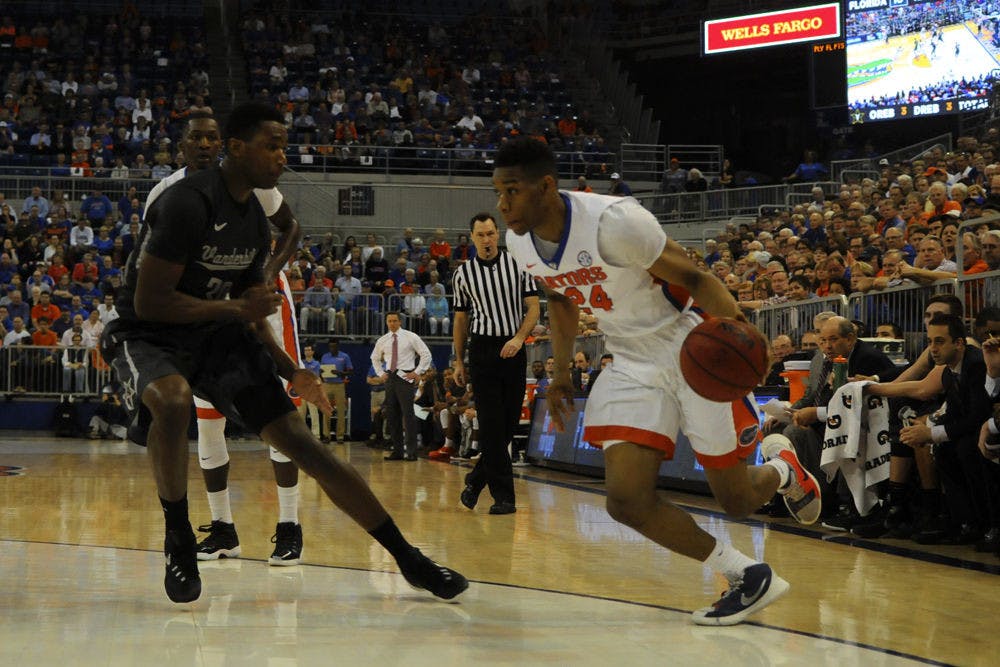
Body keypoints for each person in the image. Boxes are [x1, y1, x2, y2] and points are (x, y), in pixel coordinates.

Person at [100, 102, 466, 603]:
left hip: (216, 335)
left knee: (308, 447)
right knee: (171, 399)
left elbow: (250, 311)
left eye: (284, 146)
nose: (282, 156)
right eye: (272, 146)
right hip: (145, 332)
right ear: (236, 148)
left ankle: (409, 558)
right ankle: (178, 535)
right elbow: (151, 301)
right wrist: (233, 308)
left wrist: (291, 370)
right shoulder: (185, 202)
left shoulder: (254, 220)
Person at [495, 137, 819, 625]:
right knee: (626, 501)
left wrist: (740, 341)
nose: (502, 205)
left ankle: (784, 471)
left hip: (688, 347)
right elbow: (561, 301)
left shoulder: (614, 224)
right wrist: (561, 374)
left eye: (512, 191)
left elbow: (694, 278)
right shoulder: (519, 242)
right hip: (627, 360)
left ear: (545, 185)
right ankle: (745, 574)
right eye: (497, 192)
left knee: (735, 500)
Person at [142, 110, 312, 568]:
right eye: (195, 138)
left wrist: (268, 276)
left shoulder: (251, 182)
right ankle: (222, 530)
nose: (203, 145)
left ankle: (290, 526)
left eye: (211, 138)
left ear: (226, 144)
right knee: (207, 420)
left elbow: (292, 228)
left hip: (255, 304)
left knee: (278, 414)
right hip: (201, 313)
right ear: (180, 145)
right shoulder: (167, 193)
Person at [444, 212, 539, 512]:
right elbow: (460, 320)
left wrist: (519, 338)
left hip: (513, 348)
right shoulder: (463, 274)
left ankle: (475, 481)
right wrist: (459, 361)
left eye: (490, 234)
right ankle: (504, 498)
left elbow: (534, 308)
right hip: (482, 351)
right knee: (492, 426)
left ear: (498, 234)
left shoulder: (519, 265)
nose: (486, 240)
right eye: (480, 235)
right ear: (471, 238)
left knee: (507, 426)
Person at [370, 311, 431, 461]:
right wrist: (380, 373)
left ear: (400, 322)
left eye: (395, 321)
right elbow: (374, 358)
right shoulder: (383, 340)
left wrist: (417, 372)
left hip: (405, 376)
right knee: (392, 415)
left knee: (408, 414)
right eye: (389, 321)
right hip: (390, 377)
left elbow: (426, 354)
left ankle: (411, 452)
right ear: (386, 322)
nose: (392, 323)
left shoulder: (411, 337)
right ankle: (397, 451)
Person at [320, 340, 353, 444]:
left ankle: (340, 436)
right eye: (330, 347)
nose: (332, 349)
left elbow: (351, 371)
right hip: (327, 384)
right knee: (326, 410)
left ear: (338, 347)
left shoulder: (344, 356)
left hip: (339, 385)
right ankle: (326, 435)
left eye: (334, 347)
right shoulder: (325, 357)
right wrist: (322, 373)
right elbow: (320, 370)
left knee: (340, 411)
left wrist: (341, 373)